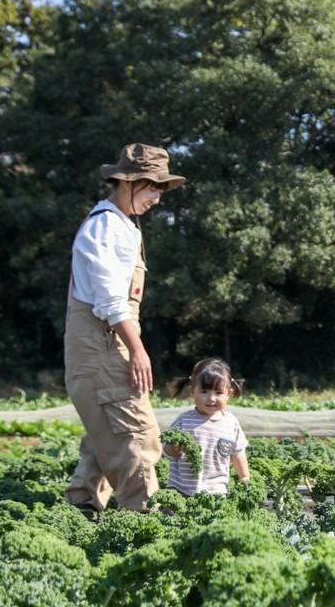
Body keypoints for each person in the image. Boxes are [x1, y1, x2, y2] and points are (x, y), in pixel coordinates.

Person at [63, 143, 184, 513]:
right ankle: (144, 524)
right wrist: (138, 349)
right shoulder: (105, 227)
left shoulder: (123, 226)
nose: (157, 199)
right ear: (130, 182)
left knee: (106, 436)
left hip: (105, 345)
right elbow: (110, 301)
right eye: (153, 189)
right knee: (136, 436)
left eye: (160, 191)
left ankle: (81, 513)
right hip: (101, 346)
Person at [162, 357, 250, 496]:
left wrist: (244, 477)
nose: (211, 398)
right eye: (204, 392)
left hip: (216, 491)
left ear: (229, 394)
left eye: (218, 393)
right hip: (181, 490)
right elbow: (166, 449)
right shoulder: (184, 421)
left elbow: (238, 452)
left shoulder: (231, 423)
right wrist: (173, 449)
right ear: (192, 392)